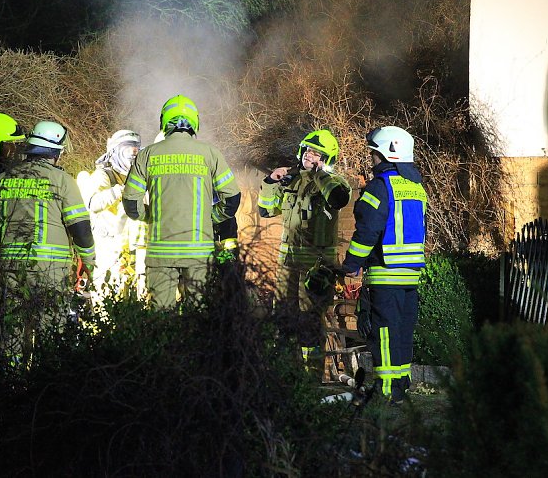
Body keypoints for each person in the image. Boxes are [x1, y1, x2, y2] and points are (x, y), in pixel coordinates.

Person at [0, 120, 95, 364]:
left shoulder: (5, 178)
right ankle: (45, 389)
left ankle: (9, 386)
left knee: (11, 333)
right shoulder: (62, 180)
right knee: (50, 332)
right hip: (50, 269)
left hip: (10, 267)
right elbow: (81, 229)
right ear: (56, 152)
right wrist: (90, 264)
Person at [122, 94, 240, 308]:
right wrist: (211, 217)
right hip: (199, 253)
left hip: (160, 252)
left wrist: (151, 215)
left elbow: (131, 203)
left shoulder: (147, 155)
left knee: (160, 316)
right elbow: (231, 198)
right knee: (197, 316)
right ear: (194, 121)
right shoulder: (210, 154)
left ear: (164, 121)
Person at [341, 126, 428, 404]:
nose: (372, 160)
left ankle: (388, 391)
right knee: (402, 331)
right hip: (410, 275)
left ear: (386, 155)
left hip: (385, 274)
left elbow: (368, 231)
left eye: (374, 154)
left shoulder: (380, 187)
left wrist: (352, 264)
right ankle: (402, 384)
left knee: (385, 333)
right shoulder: (416, 186)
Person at [258, 129, 351, 375]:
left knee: (310, 321)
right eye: (308, 150)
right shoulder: (292, 180)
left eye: (316, 153)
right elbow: (266, 211)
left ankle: (312, 379)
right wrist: (271, 181)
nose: (309, 155)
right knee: (284, 317)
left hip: (317, 267)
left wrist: (319, 173)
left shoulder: (335, 183)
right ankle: (288, 375)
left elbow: (339, 199)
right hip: (287, 265)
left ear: (326, 158)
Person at [76, 129, 144, 295]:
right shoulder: (103, 175)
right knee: (105, 303)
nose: (132, 155)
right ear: (116, 151)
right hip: (107, 252)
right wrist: (121, 190)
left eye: (136, 150)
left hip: (132, 252)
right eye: (128, 150)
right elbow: (93, 203)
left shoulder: (139, 178)